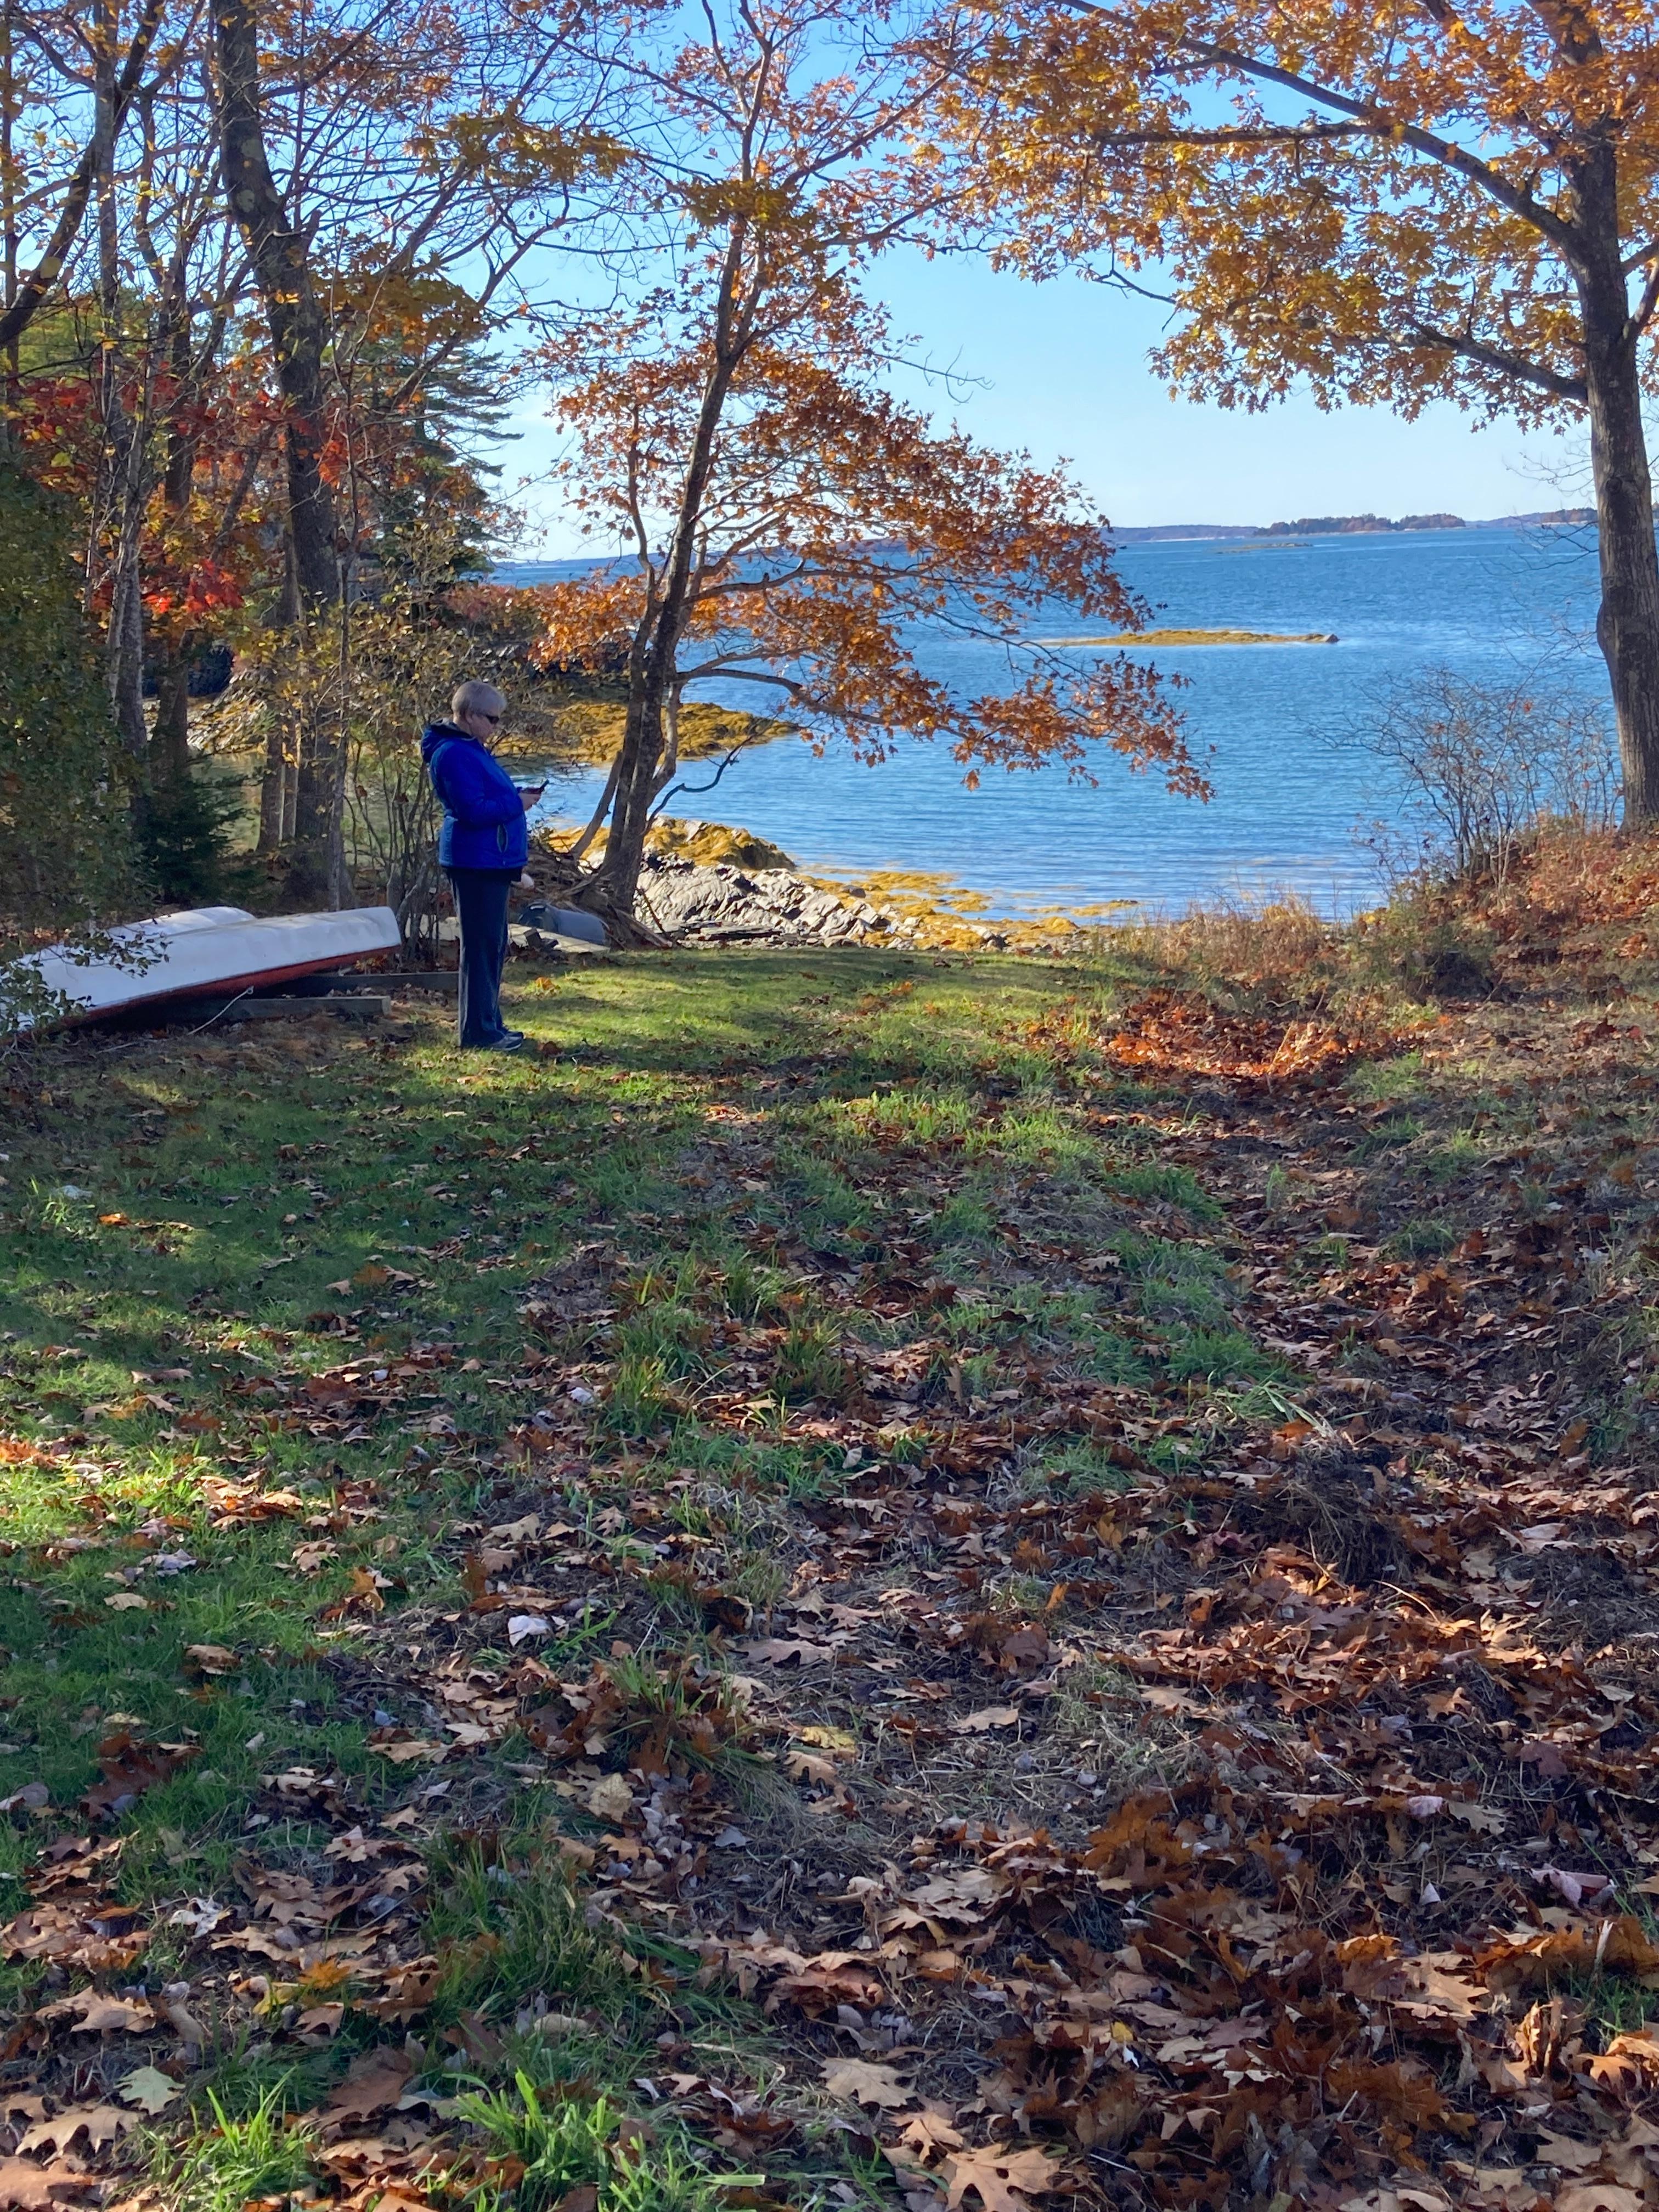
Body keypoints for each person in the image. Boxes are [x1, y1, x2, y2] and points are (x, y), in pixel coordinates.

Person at [420, 680, 545, 1052]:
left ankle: (490, 1023)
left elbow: (487, 798)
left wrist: (517, 797)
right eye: (492, 719)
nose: (497, 726)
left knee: (493, 944)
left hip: (491, 860)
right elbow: (472, 812)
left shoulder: (473, 750)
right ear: (470, 716)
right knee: (480, 946)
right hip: (473, 862)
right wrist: (517, 804)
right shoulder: (453, 755)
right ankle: (477, 1032)